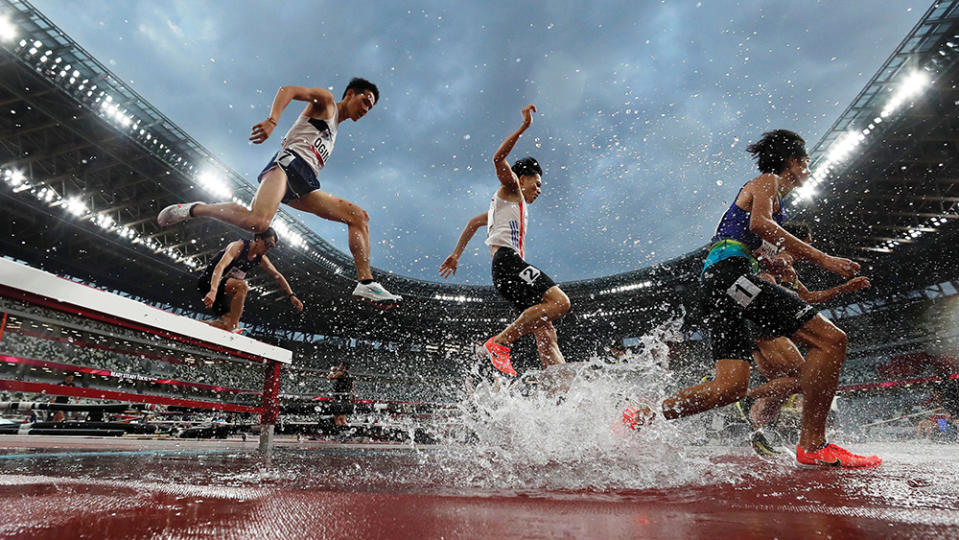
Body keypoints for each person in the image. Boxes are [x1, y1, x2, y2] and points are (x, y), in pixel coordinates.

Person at [625, 129, 881, 468]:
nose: (808, 169)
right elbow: (760, 223)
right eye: (805, 163)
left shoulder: (775, 199)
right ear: (792, 162)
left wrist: (769, 259)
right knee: (831, 340)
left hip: (719, 280)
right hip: (730, 277)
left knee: (729, 387)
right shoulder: (767, 182)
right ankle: (815, 445)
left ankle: (639, 418)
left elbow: (748, 235)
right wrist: (823, 258)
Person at [158, 78, 402, 307]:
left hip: (306, 181)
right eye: (365, 101)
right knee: (258, 221)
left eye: (371, 108)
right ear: (350, 94)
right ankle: (194, 209)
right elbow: (289, 90)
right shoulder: (327, 103)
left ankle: (366, 283)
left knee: (358, 216)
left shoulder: (335, 130)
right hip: (286, 166)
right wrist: (272, 121)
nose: (366, 109)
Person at [439, 105, 570, 376]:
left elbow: (472, 224)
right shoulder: (511, 190)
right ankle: (500, 342)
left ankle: (561, 388)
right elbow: (498, 159)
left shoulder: (499, 207)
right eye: (538, 183)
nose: (539, 190)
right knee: (560, 303)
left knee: (546, 331)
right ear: (522, 179)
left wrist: (456, 254)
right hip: (508, 262)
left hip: (504, 268)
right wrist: (523, 128)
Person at [742, 221, 871, 456]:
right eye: (809, 242)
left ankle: (757, 433)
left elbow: (808, 297)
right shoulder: (776, 257)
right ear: (801, 241)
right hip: (766, 325)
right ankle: (744, 398)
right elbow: (757, 276)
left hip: (760, 326)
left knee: (781, 388)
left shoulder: (787, 267)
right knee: (803, 380)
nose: (810, 246)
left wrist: (845, 288)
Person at [197, 227, 303, 332]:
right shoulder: (238, 246)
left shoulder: (261, 258)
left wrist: (291, 295)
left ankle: (191, 325)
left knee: (226, 324)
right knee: (242, 286)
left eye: (272, 246)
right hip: (210, 281)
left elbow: (278, 276)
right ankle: (234, 327)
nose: (268, 249)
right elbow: (220, 266)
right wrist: (213, 290)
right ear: (258, 239)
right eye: (268, 244)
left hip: (223, 289)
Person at [327, 362, 354, 428]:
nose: (339, 366)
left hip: (339, 396)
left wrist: (332, 371)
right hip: (346, 396)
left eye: (341, 365)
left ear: (343, 367)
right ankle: (345, 431)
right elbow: (353, 386)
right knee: (342, 417)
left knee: (336, 416)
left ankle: (338, 431)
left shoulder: (340, 373)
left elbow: (329, 377)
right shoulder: (349, 375)